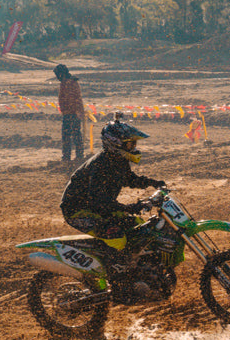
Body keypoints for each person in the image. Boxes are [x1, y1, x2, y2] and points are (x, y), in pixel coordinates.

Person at [60, 114, 167, 303]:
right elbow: (98, 201)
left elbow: (128, 179)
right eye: (129, 144)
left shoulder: (118, 160)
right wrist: (129, 207)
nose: (133, 148)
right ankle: (118, 284)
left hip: (98, 207)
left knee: (136, 226)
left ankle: (134, 271)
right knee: (115, 235)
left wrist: (152, 183)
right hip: (78, 210)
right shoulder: (100, 165)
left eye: (133, 144)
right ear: (115, 144)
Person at [54, 64, 86, 165]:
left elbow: (77, 98)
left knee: (76, 135)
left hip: (74, 113)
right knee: (66, 136)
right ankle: (67, 157)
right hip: (67, 113)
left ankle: (79, 156)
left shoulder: (72, 83)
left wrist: (78, 111)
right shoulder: (65, 83)